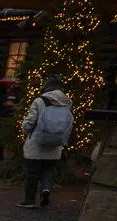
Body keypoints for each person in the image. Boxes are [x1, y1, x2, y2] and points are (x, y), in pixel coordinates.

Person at [18, 76, 74, 209]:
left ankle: (29, 200)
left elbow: (30, 121)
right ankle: (46, 190)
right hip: (55, 145)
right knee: (47, 171)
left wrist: (25, 130)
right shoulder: (66, 103)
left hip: (37, 143)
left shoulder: (39, 101)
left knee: (32, 173)